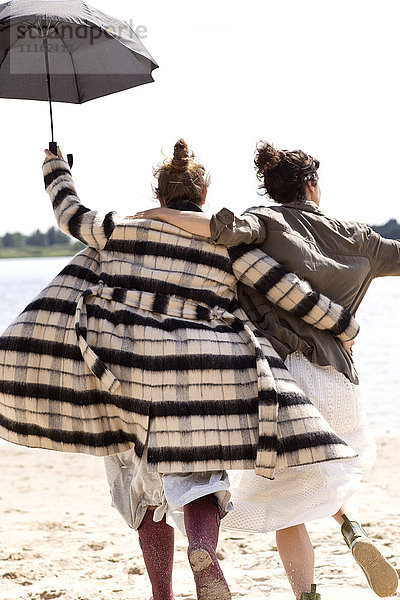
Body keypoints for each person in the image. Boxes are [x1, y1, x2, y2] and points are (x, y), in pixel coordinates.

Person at [0, 140, 359, 600]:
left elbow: (70, 214)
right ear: (203, 197)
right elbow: (283, 288)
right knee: (200, 477)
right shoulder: (223, 240)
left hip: (131, 370)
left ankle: (162, 594)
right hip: (206, 372)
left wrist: (55, 168)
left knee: (145, 486)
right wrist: (344, 324)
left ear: (161, 195)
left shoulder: (122, 228)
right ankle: (204, 551)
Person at [133, 142, 400, 599]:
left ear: (272, 187)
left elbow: (216, 227)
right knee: (332, 474)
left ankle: (308, 592)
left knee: (288, 507)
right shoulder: (360, 238)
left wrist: (156, 215)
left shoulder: (265, 222)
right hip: (337, 379)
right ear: (312, 185)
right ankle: (351, 528)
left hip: (280, 384)